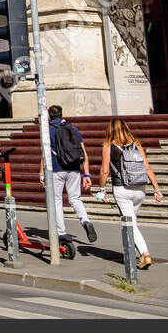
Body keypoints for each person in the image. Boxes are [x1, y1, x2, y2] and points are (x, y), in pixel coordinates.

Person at [99, 118, 163, 269]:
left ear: (110, 130)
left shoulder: (108, 145)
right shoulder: (136, 144)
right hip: (140, 189)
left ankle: (145, 254)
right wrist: (157, 189)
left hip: (122, 189)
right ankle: (133, 254)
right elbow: (147, 168)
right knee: (132, 222)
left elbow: (104, 170)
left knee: (130, 224)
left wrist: (102, 190)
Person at [47, 105, 97, 245]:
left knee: (57, 200)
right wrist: (86, 174)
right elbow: (83, 152)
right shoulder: (72, 128)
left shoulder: (48, 130)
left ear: (50, 116)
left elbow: (45, 153)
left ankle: (61, 232)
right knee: (75, 198)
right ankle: (85, 220)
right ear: (62, 114)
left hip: (56, 168)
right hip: (74, 168)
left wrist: (41, 172)